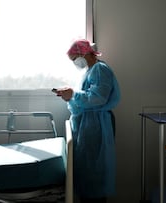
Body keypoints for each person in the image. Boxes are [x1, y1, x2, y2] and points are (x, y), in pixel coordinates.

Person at [54, 39, 120, 203]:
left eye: (75, 59)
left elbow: (98, 98)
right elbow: (83, 100)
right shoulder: (87, 72)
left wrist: (74, 95)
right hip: (87, 125)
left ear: (84, 53)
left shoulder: (100, 69)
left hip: (97, 124)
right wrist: (70, 97)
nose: (75, 63)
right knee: (87, 170)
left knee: (96, 170)